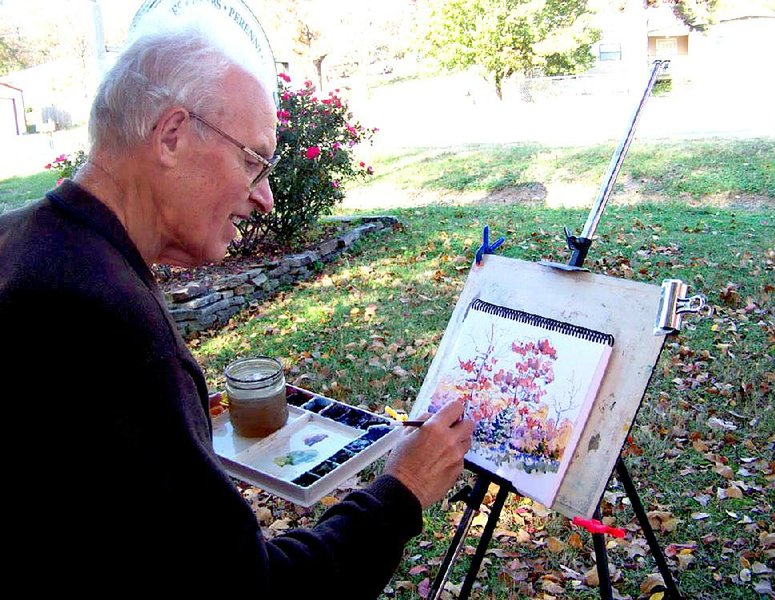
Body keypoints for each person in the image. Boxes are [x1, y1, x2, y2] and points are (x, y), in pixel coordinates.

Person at [0, 18, 473, 598]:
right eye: (253, 161)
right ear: (172, 134)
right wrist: (403, 487)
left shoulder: (18, 243)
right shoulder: (105, 320)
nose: (265, 198)